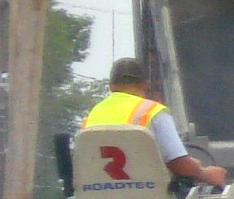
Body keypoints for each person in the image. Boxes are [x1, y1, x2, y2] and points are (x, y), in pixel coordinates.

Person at [84, 56, 226, 188]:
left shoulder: (92, 116)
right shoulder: (153, 112)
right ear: (145, 85)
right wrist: (205, 173)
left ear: (111, 85)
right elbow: (180, 164)